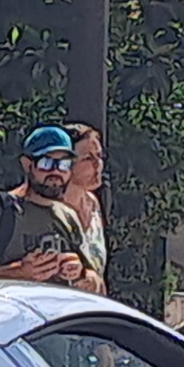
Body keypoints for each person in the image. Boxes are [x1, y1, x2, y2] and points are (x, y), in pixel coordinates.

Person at [0, 126, 104, 293]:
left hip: (58, 317)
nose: (55, 172)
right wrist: (19, 273)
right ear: (27, 165)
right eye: (46, 163)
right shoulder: (0, 212)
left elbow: (94, 278)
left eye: (63, 164)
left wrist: (79, 273)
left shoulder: (67, 216)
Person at [58, 121, 110, 286]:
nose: (98, 165)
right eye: (88, 158)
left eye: (99, 156)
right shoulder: (48, 208)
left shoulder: (93, 204)